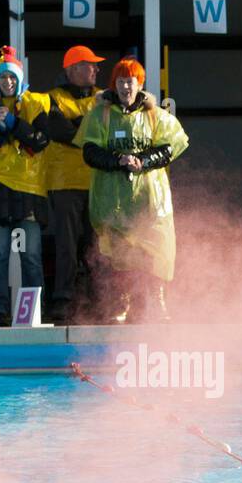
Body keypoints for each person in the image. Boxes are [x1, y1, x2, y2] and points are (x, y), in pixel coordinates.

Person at [78, 56, 189, 324]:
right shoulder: (101, 114)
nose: (126, 87)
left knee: (157, 249)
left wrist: (144, 161)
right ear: (114, 85)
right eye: (121, 81)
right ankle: (122, 302)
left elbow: (170, 147)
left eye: (131, 81)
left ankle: (158, 302)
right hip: (113, 198)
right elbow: (90, 151)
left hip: (150, 198)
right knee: (119, 252)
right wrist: (118, 161)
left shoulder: (155, 115)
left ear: (140, 84)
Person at [0, 46, 51, 326]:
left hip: (28, 192)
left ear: (19, 79)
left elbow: (41, 140)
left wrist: (15, 124)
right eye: (3, 78)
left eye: (13, 78)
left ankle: (33, 311)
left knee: (31, 256)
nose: (8, 83)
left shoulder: (37, 103)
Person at [45, 45, 106, 324]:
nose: (95, 69)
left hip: (97, 182)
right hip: (65, 182)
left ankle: (99, 301)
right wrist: (88, 126)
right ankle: (62, 300)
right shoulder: (52, 98)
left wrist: (79, 124)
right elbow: (63, 133)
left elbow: (97, 132)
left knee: (97, 245)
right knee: (67, 245)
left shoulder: (103, 98)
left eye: (95, 65)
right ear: (72, 70)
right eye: (89, 65)